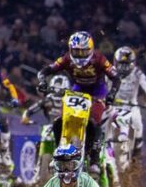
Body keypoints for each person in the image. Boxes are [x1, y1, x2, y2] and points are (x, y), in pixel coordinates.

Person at [36, 31, 120, 172]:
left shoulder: (99, 58)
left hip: (97, 92)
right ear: (70, 49)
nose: (80, 55)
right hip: (77, 90)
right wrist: (42, 81)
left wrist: (112, 93)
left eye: (83, 51)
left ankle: (94, 160)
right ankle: (58, 150)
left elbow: (115, 77)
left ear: (91, 49)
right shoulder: (67, 58)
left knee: (94, 122)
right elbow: (47, 70)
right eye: (76, 51)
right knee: (60, 120)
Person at [22, 74, 70, 186]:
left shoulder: (68, 100)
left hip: (67, 130)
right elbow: (31, 110)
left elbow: (30, 111)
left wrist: (26, 115)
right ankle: (38, 170)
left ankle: (78, 170)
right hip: (52, 129)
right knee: (39, 143)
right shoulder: (50, 99)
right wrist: (26, 116)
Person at [113, 46, 146, 159]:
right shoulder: (110, 72)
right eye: (121, 64)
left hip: (131, 104)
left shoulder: (137, 73)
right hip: (113, 105)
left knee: (138, 125)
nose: (123, 67)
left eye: (126, 64)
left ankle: (137, 153)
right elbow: (103, 86)